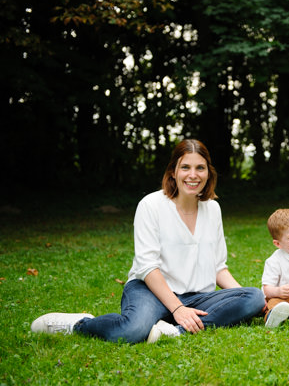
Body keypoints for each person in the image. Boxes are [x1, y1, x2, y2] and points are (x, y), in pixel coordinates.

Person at [31, 139, 265, 343]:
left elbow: (218, 268)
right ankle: (81, 324)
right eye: (185, 167)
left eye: (200, 168)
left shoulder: (212, 209)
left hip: (196, 296)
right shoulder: (151, 205)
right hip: (150, 291)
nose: (193, 175)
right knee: (131, 331)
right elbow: (147, 266)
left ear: (208, 173)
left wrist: (245, 297)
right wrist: (177, 308)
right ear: (173, 171)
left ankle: (175, 331)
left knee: (254, 296)